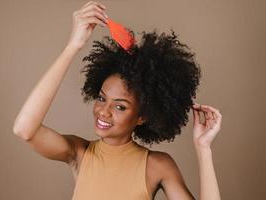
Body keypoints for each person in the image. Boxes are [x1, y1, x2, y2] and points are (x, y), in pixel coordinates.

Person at [13, 1, 222, 200]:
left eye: (120, 106)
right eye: (102, 98)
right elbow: (24, 129)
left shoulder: (158, 165)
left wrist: (203, 149)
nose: (104, 111)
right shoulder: (79, 153)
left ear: (142, 116)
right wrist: (72, 47)